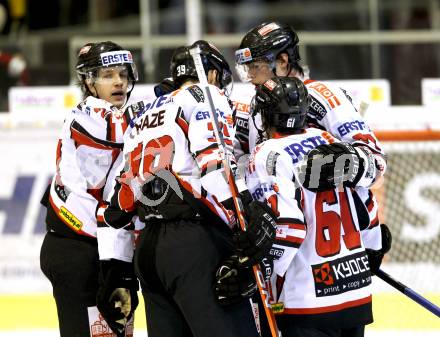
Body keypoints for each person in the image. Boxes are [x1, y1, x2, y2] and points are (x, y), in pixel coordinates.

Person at [95, 40, 277, 337]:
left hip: (150, 254)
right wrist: (245, 210)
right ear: (214, 75)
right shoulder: (206, 95)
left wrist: (119, 265)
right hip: (194, 245)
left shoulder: (141, 112)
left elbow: (118, 204)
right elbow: (215, 166)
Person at [245, 76, 392, 337]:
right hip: (356, 293)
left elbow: (288, 229)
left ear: (264, 115)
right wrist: (373, 247)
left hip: (306, 300)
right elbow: (367, 207)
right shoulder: (330, 140)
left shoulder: (268, 153)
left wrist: (260, 272)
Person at [39, 41, 139, 337]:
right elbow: (122, 129)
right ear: (88, 81)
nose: (119, 81)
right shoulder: (88, 112)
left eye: (122, 73)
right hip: (76, 251)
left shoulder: (119, 114)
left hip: (104, 252)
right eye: (108, 75)